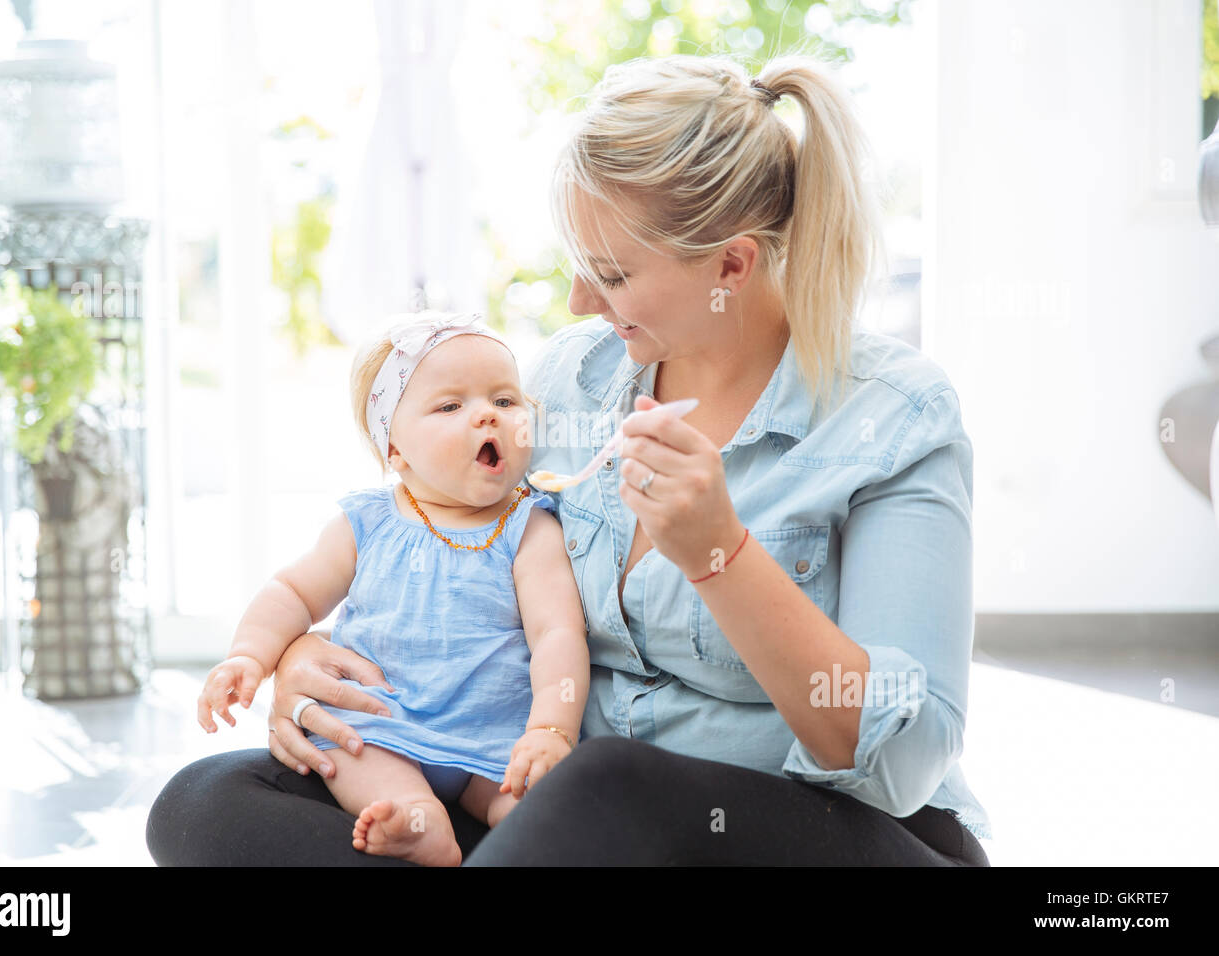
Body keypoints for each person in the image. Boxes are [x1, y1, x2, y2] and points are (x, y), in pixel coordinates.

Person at [147, 51, 993, 866]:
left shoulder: (893, 417)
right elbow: (444, 549)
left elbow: (902, 754)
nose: (581, 302)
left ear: (731, 264)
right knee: (209, 802)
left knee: (609, 783)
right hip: (563, 823)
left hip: (814, 829)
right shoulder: (575, 378)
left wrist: (719, 555)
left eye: (613, 274)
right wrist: (302, 663)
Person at [191, 311, 589, 866]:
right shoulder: (368, 522)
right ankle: (417, 822)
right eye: (451, 406)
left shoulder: (530, 527)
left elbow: (558, 635)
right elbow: (292, 593)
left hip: (491, 743)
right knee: (350, 753)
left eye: (504, 400)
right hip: (385, 728)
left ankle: (503, 835)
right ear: (395, 451)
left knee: (537, 808)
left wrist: (551, 729)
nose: (486, 417)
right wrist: (248, 657)